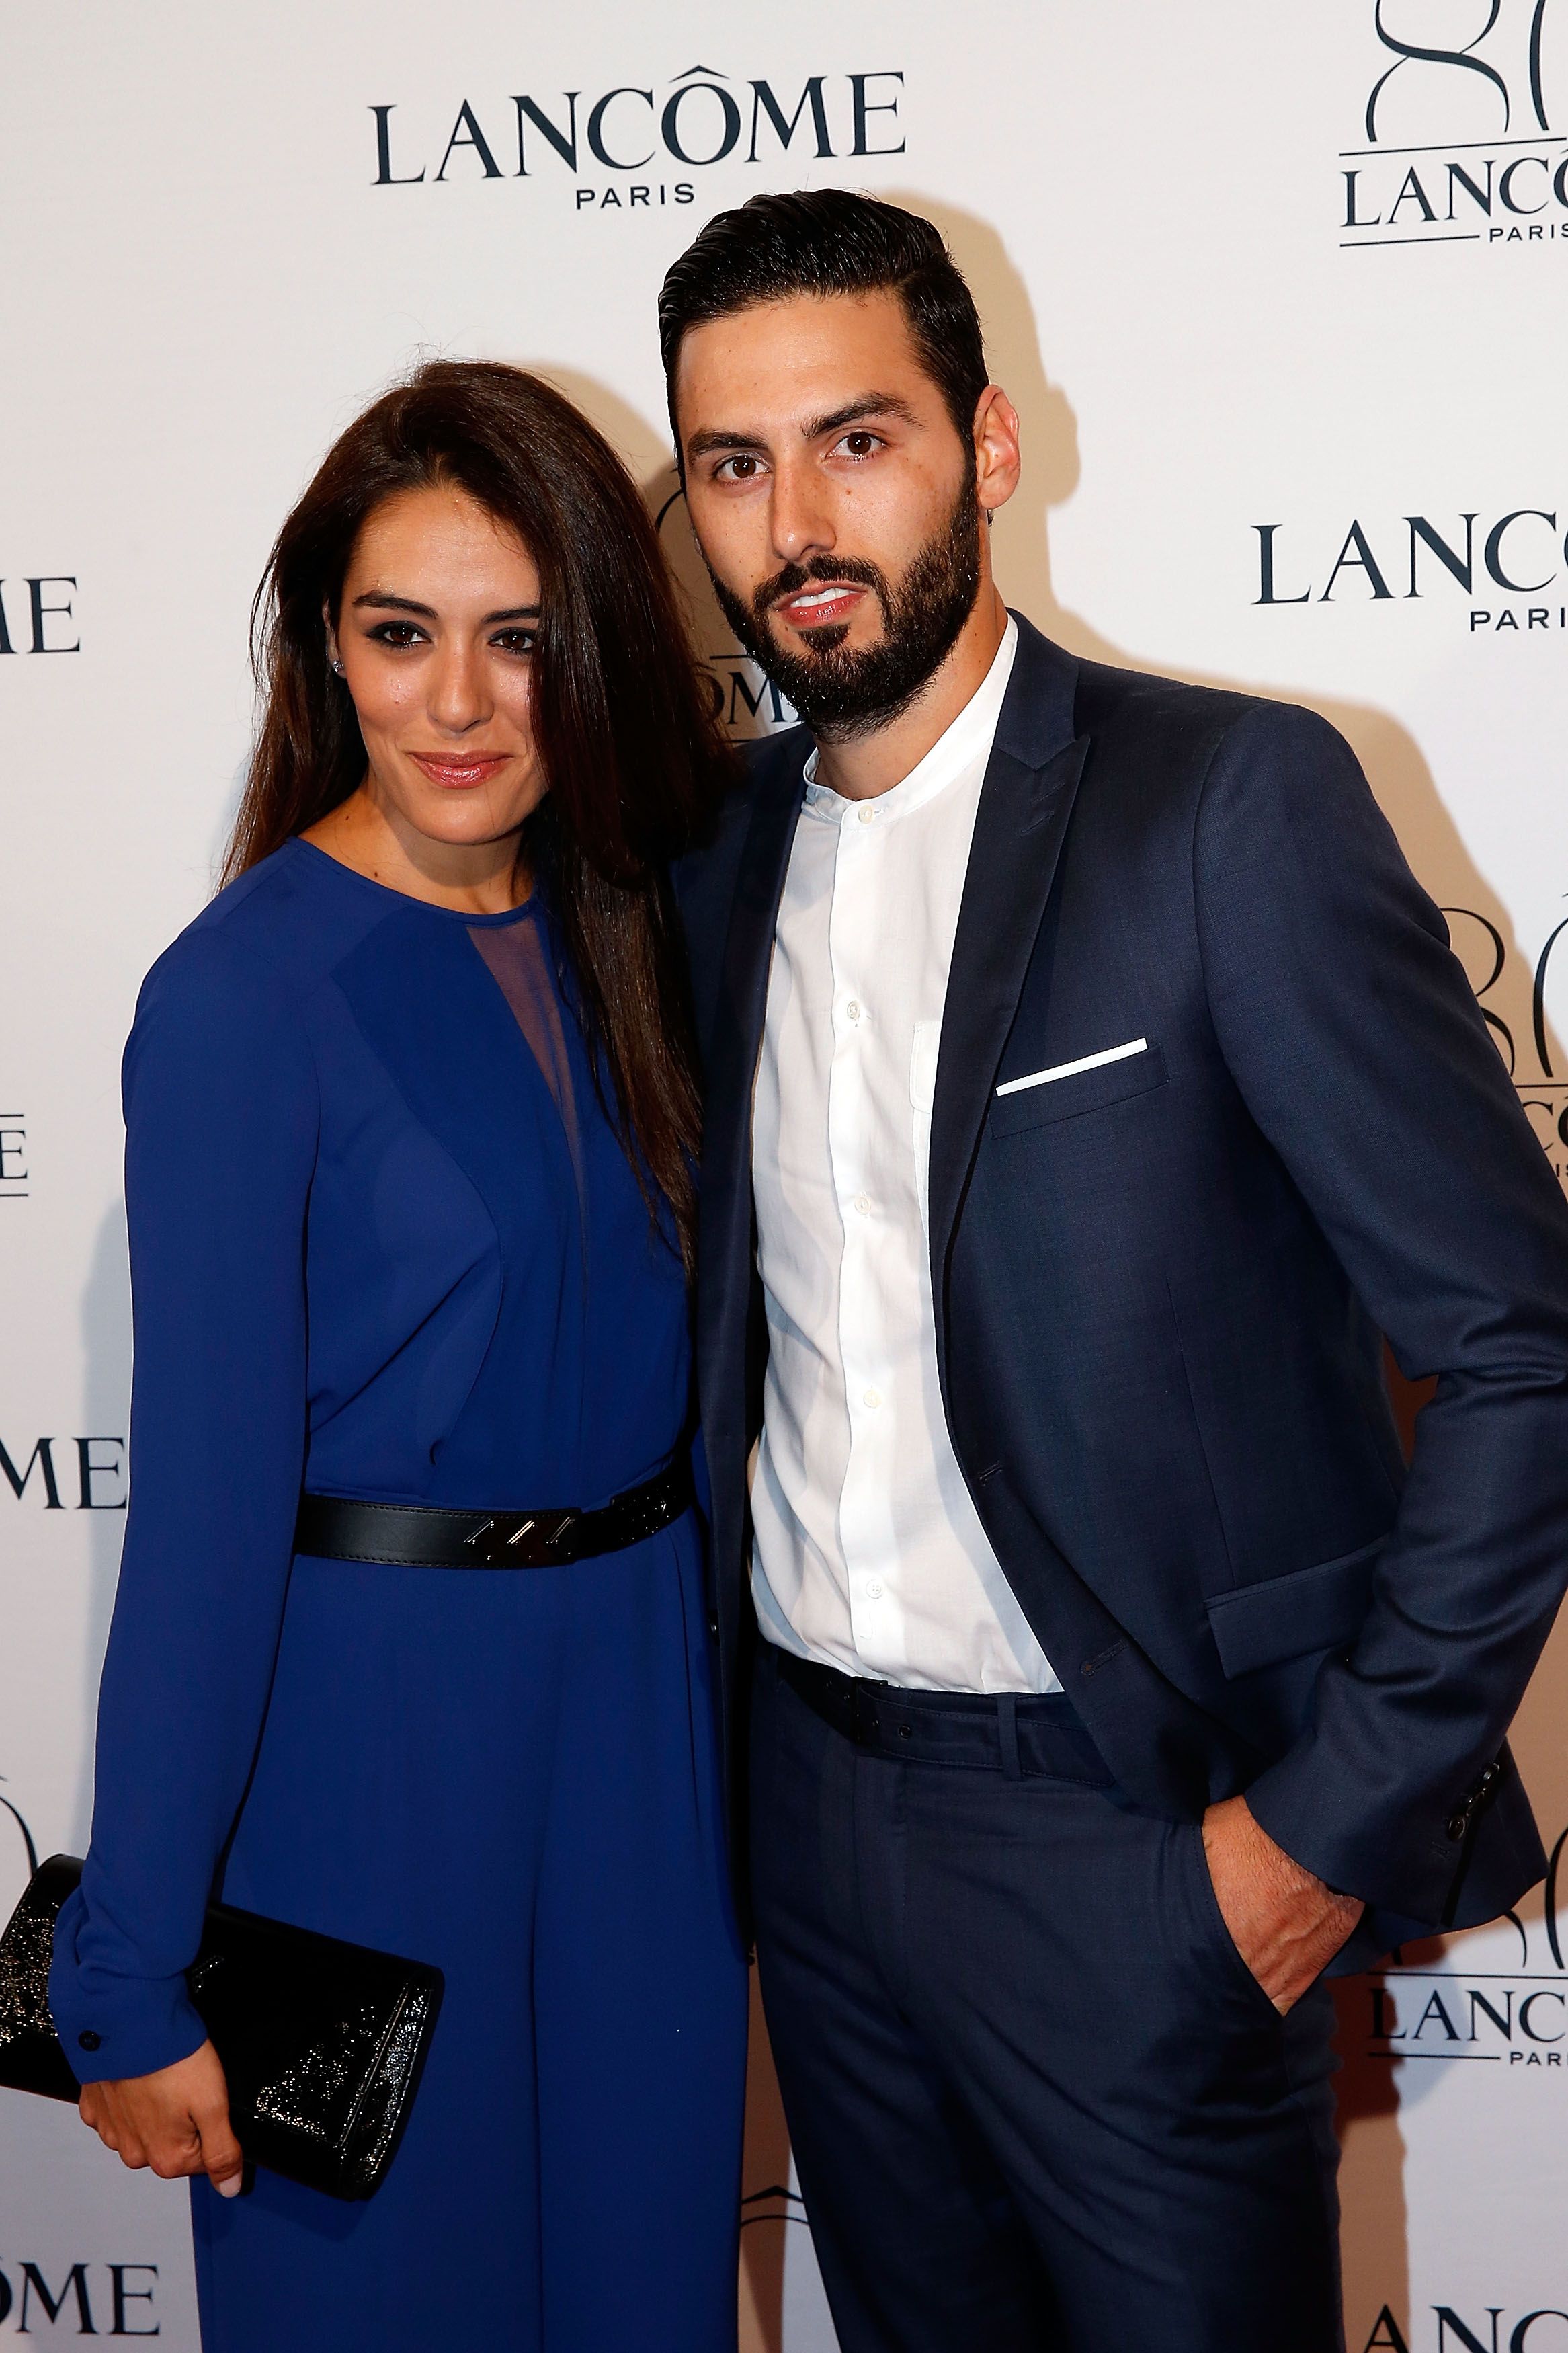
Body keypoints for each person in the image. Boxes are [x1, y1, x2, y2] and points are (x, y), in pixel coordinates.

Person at [659, 190, 1568, 2352]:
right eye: (733, 462)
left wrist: (1313, 1833)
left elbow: (1524, 1348)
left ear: (987, 445)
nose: (799, 518)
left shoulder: (1227, 804)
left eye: (856, 440)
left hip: (1135, 1839)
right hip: (813, 1820)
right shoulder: (705, 858)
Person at [49, 360, 747, 2352]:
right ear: (328, 651)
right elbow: (194, 1527)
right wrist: (130, 1972)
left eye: (520, 639)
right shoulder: (243, 999)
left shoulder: (637, 923)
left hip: (631, 1745)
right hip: (367, 1768)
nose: (457, 701)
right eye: (399, 632)